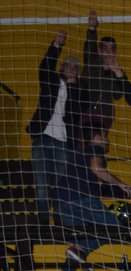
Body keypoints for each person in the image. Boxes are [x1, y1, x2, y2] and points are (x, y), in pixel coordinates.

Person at [56, 126, 131, 271]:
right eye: (104, 136)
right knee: (116, 227)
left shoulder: (79, 155)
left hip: (60, 205)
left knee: (79, 247)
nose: (107, 140)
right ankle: (126, 267)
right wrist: (121, 185)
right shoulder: (95, 148)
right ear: (95, 138)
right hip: (80, 200)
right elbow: (97, 169)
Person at [28, 31, 80, 220]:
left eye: (75, 68)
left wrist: (73, 86)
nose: (71, 70)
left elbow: (78, 110)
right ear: (62, 67)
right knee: (41, 181)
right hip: (42, 136)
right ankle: (42, 220)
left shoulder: (80, 90)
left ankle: (59, 219)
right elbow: (43, 68)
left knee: (60, 182)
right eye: (68, 66)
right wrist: (56, 46)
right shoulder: (51, 82)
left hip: (63, 141)